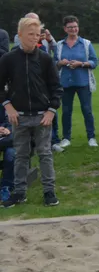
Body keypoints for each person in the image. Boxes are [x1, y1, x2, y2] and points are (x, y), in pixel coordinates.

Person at [0, 17, 63, 208]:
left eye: (38, 35)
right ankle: (19, 192)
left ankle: (49, 191)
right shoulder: (8, 59)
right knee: (20, 155)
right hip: (18, 116)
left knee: (45, 154)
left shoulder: (44, 59)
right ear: (19, 36)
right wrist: (8, 106)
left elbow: (56, 87)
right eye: (30, 35)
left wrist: (51, 111)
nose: (35, 39)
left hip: (42, 115)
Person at [55, 16, 98, 149]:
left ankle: (91, 137)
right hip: (65, 83)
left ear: (78, 27)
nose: (73, 29)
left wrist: (82, 64)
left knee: (87, 110)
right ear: (65, 29)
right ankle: (66, 138)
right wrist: (60, 63)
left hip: (83, 82)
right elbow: (53, 63)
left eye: (75, 27)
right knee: (66, 111)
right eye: (70, 27)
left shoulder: (86, 43)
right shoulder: (59, 45)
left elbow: (94, 62)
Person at [0, 104, 16, 203]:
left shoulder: (6, 101)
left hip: (7, 137)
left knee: (11, 153)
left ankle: (6, 186)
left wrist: (7, 129)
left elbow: (11, 118)